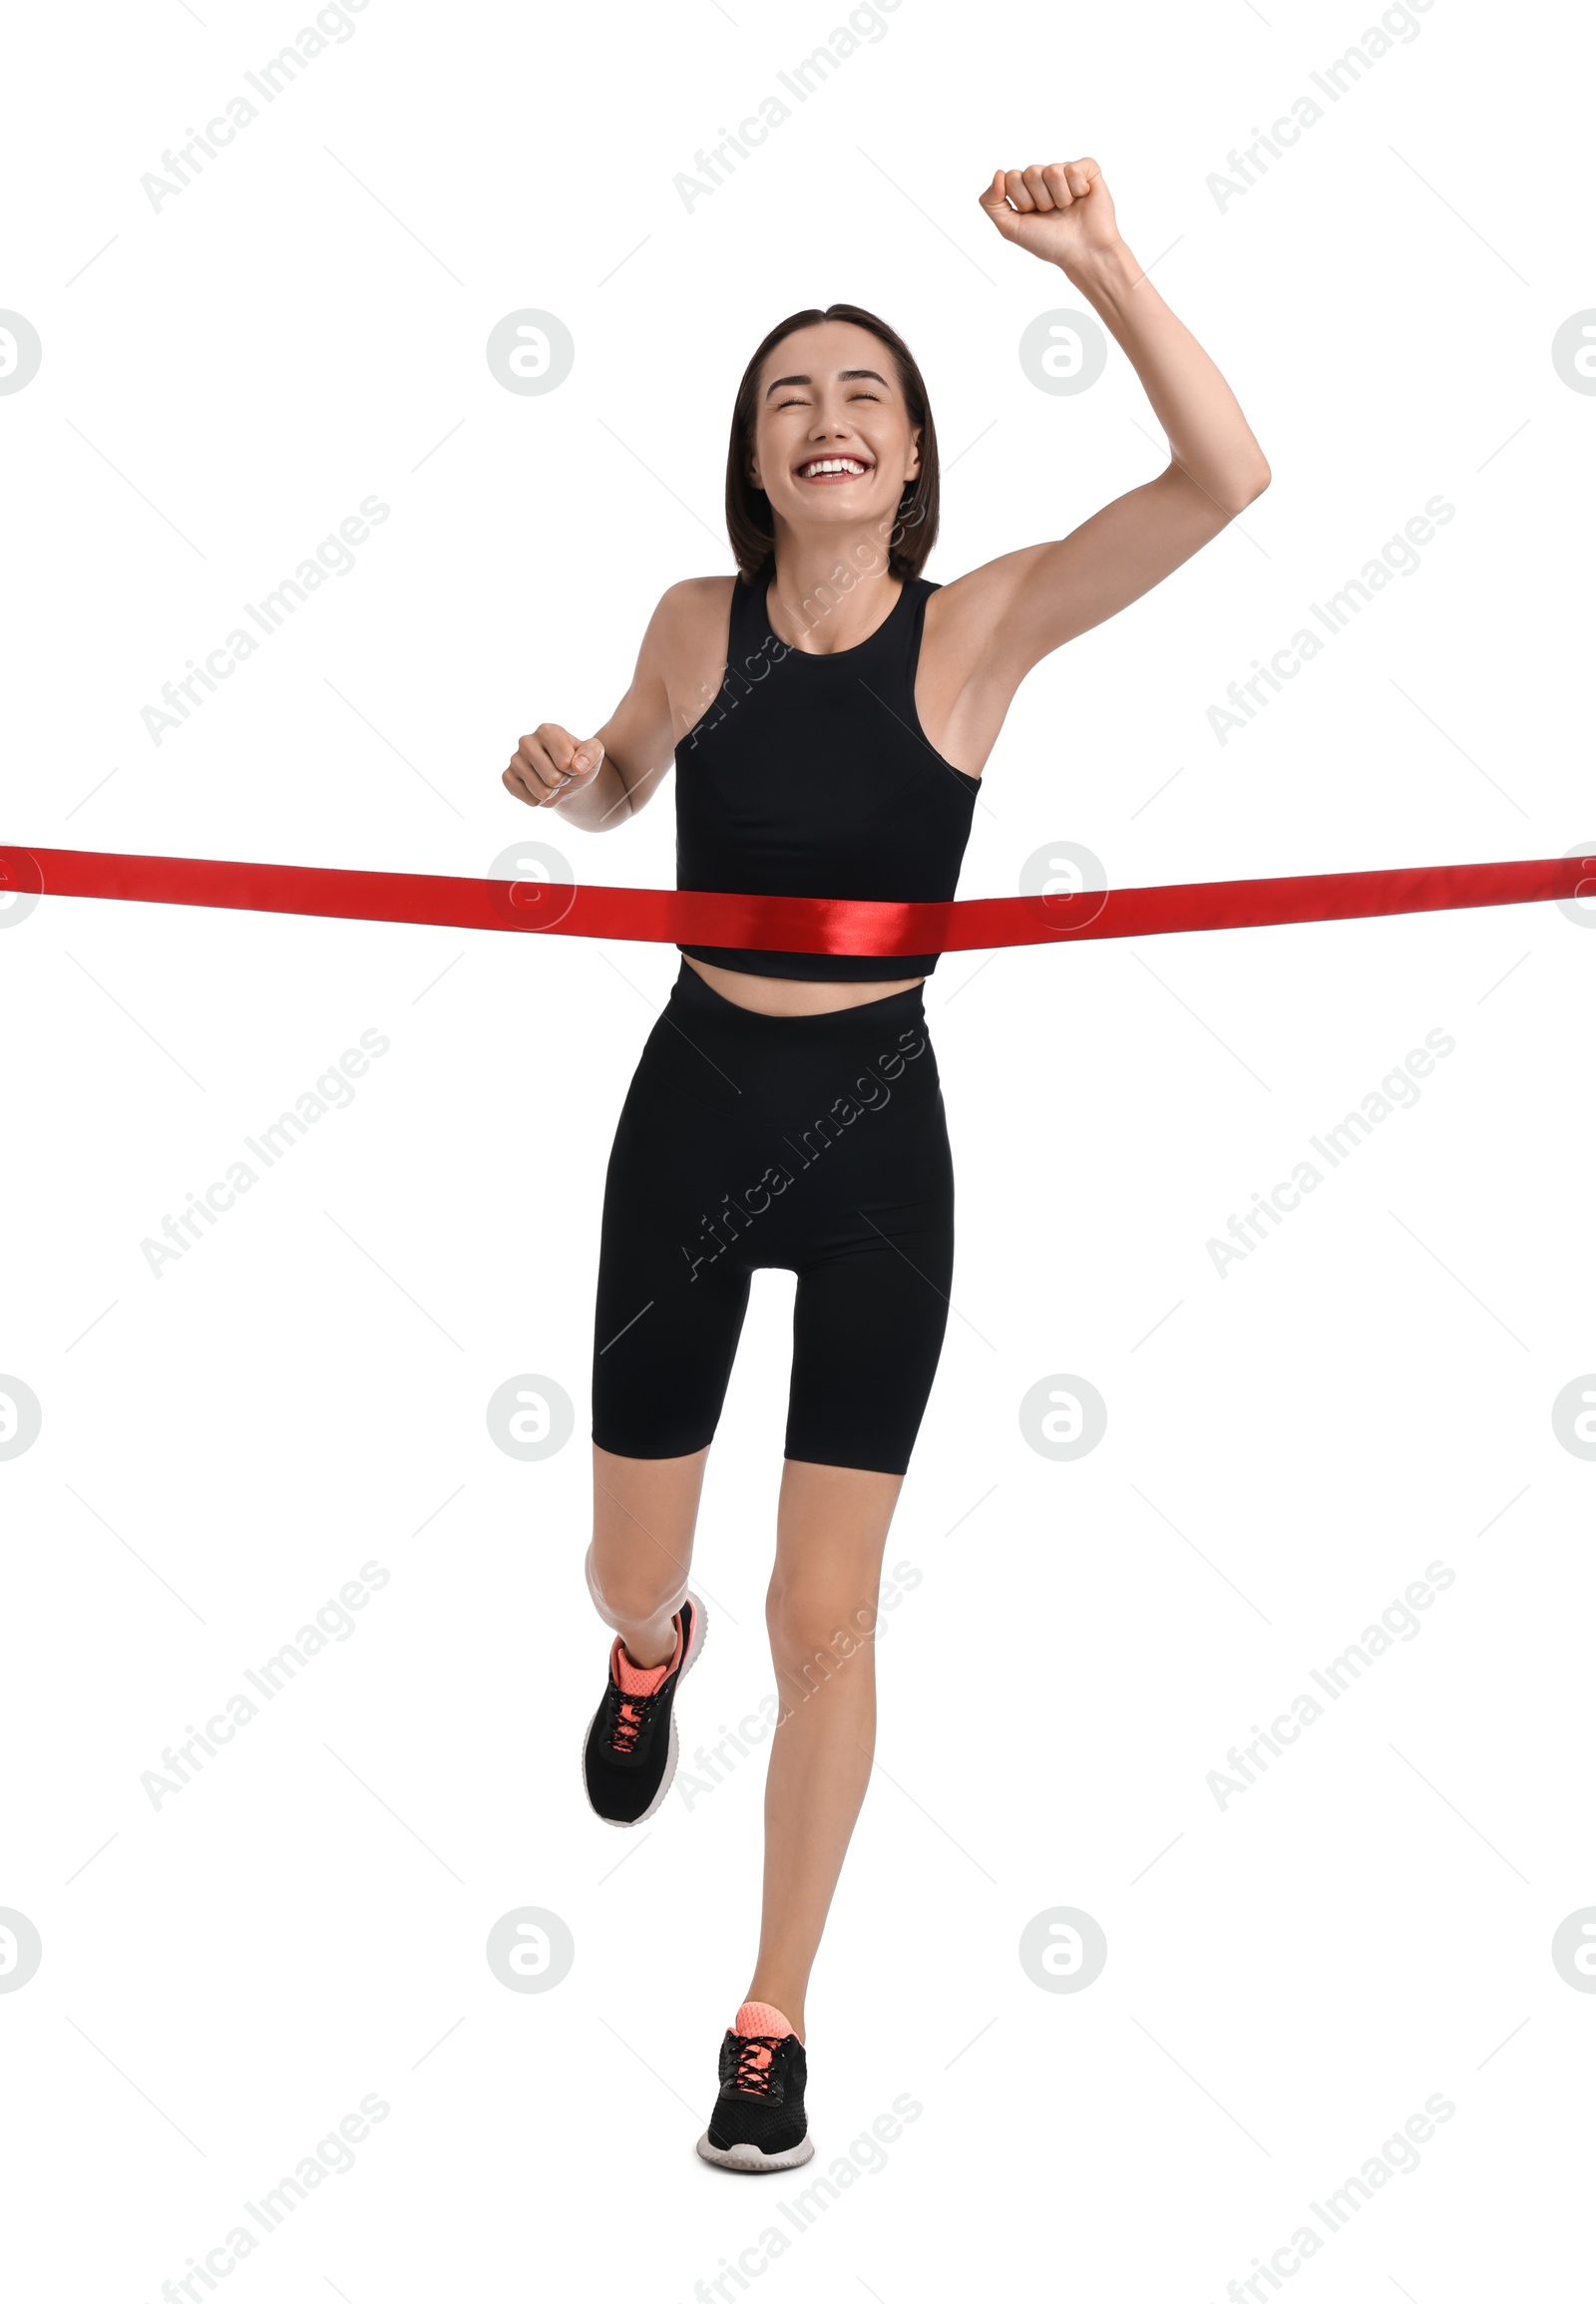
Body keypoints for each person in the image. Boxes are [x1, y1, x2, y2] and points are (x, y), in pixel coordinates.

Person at [503, 159, 1269, 2171]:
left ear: (911, 451)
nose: (826, 413)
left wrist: (1098, 262)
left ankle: (769, 2017)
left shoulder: (984, 625)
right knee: (630, 1562)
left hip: (871, 1149)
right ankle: (636, 1650)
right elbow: (621, 789)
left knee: (822, 1619)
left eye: (864, 390)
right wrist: (578, 782)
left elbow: (1220, 483)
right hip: (687, 1125)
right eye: (787, 395)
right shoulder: (689, 619)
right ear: (753, 461)